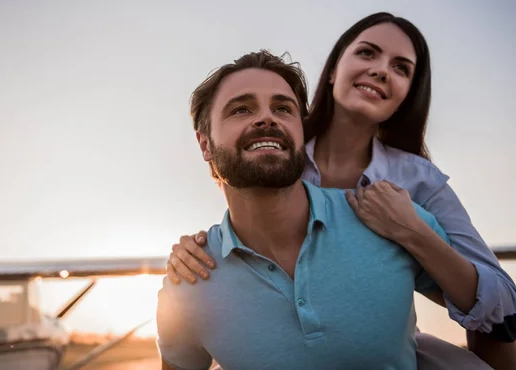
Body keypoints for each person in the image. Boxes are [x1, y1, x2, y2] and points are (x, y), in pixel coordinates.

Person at [165, 12, 516, 369]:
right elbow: (243, 204)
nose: (381, 70)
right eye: (367, 53)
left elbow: (500, 305)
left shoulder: (418, 182)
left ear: (408, 93)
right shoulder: (278, 150)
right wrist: (194, 251)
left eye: (401, 68)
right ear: (333, 69)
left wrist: (413, 232)